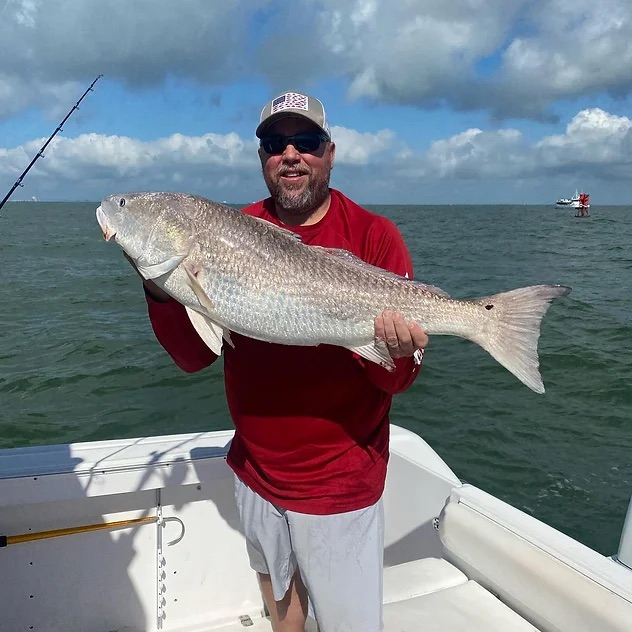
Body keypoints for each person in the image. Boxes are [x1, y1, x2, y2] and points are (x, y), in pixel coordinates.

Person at [137, 91, 428, 632]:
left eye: (306, 142)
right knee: (279, 597)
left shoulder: (373, 235)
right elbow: (191, 357)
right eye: (274, 144)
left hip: (341, 481)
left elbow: (398, 381)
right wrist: (160, 290)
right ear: (262, 158)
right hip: (255, 469)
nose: (290, 154)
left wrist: (396, 351)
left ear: (330, 153)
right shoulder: (227, 230)